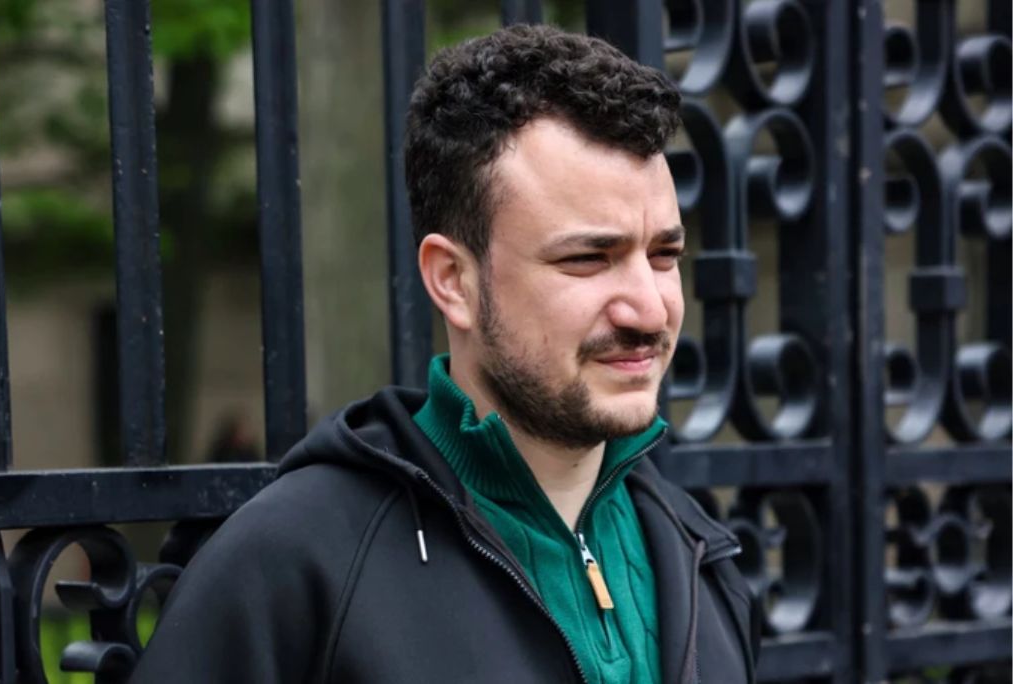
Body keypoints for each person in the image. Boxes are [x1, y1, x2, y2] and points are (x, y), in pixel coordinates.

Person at [132, 24, 760, 683]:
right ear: (452, 281)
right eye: (586, 259)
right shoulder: (294, 565)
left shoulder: (697, 552)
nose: (651, 309)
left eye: (664, 255)